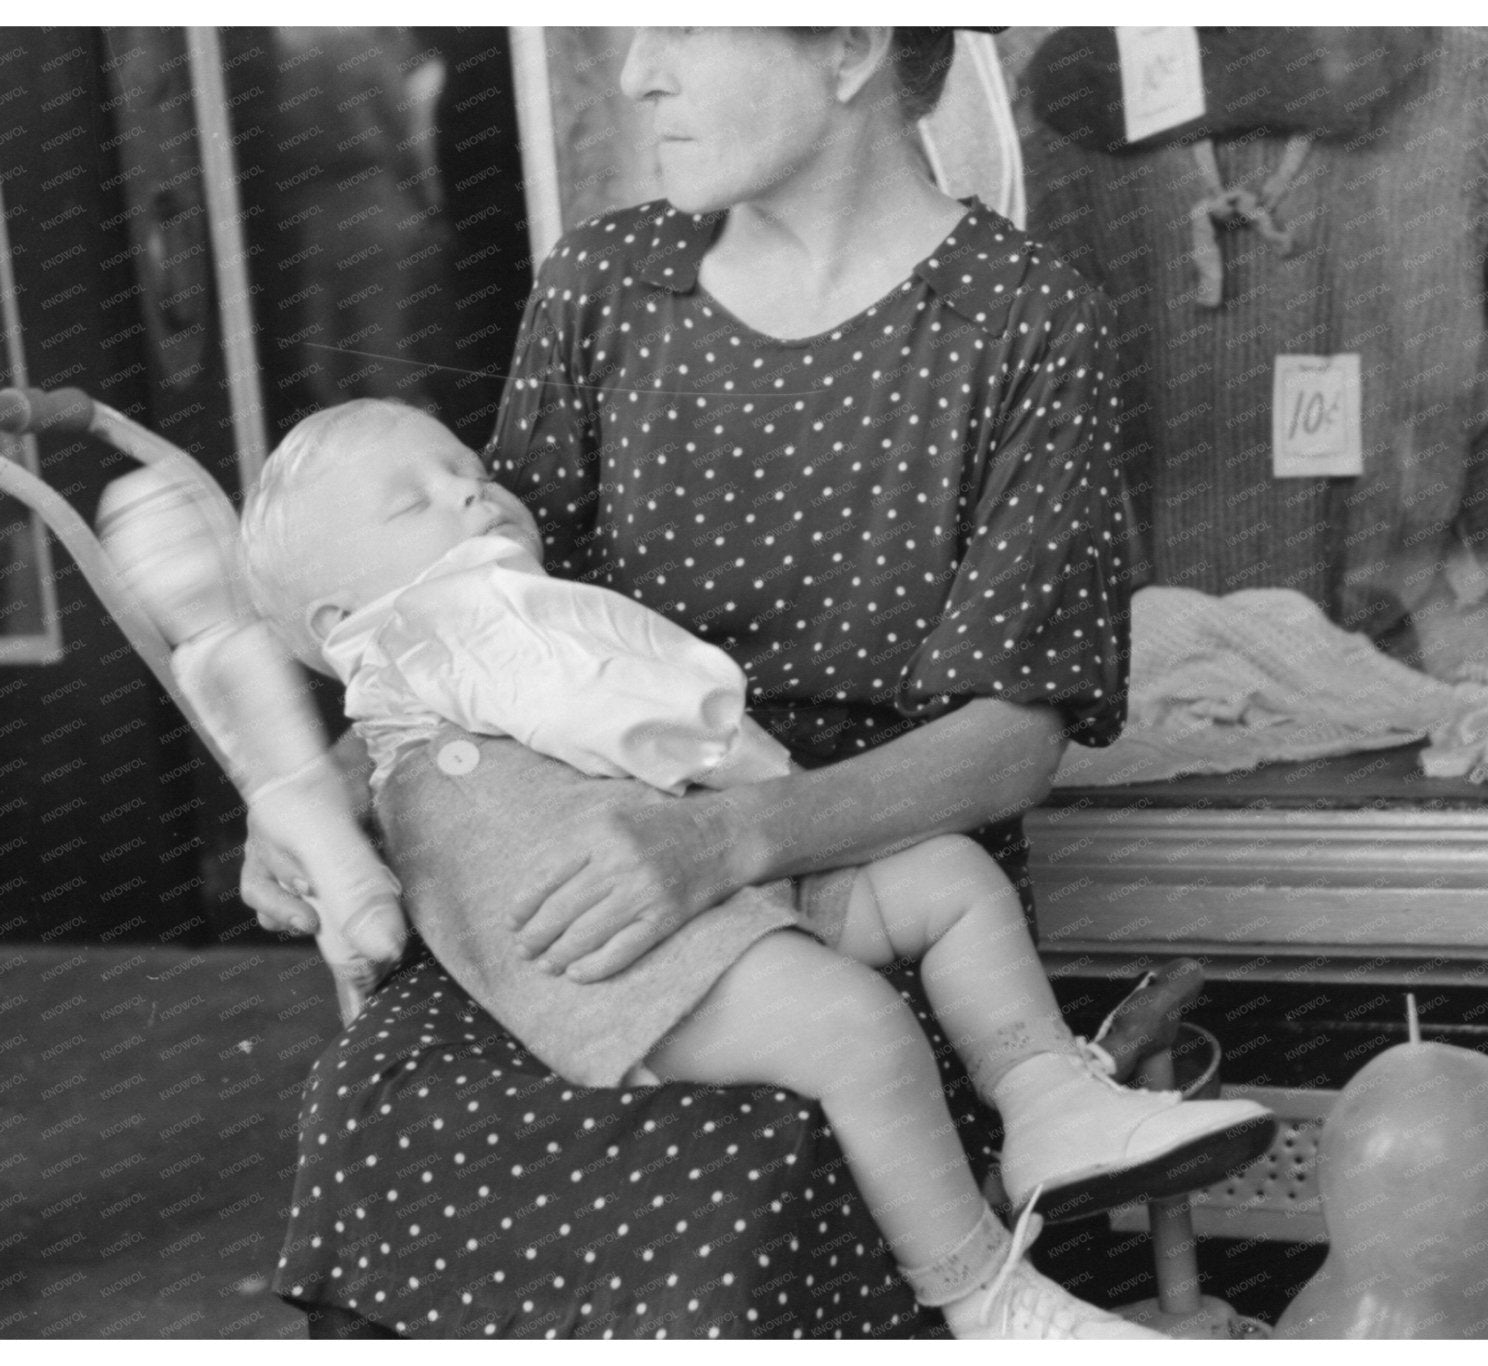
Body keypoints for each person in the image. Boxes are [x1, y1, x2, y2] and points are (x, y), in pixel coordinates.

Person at [246, 28, 1179, 1339]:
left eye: (679, 26)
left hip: (870, 867)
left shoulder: (1026, 322)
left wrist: (722, 836)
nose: (637, 75)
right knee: (379, 1098)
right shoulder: (607, 283)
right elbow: (471, 616)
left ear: (849, 44)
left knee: (741, 1159)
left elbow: (1011, 739)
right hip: (568, 864)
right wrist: (320, 798)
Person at [239, 397, 1273, 1338]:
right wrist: (726, 748)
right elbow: (620, 709)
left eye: (465, 465)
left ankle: (1046, 1096)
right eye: (411, 500)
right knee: (852, 1028)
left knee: (945, 875)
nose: (469, 487)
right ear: (344, 623)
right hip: (613, 948)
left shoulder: (467, 632)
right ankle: (984, 1294)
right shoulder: (448, 620)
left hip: (713, 876)